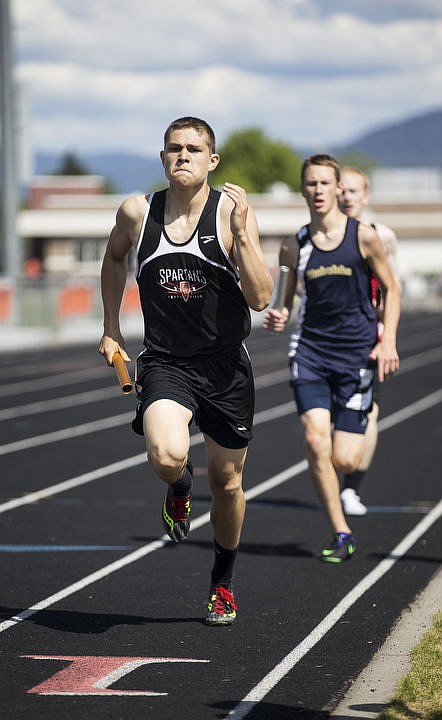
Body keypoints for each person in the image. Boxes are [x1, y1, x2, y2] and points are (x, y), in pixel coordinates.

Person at [99, 117, 273, 624]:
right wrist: (111, 325)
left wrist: (242, 237)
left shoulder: (230, 215)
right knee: (166, 453)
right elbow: (113, 260)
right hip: (166, 362)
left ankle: (223, 582)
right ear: (162, 158)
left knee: (228, 484)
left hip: (225, 368)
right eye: (174, 148)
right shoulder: (138, 211)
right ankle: (178, 486)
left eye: (194, 149)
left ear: (211, 161)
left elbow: (261, 298)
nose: (183, 156)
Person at [263, 154, 400, 562]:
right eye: (311, 183)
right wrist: (278, 314)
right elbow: (284, 301)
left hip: (357, 354)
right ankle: (341, 531)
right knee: (315, 440)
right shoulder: (295, 244)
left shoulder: (363, 236)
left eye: (325, 183)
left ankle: (364, 409)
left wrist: (387, 340)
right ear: (303, 188)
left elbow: (392, 290)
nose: (318, 191)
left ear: (338, 188)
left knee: (345, 457)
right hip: (310, 353)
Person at [338, 166, 402, 515]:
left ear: (366, 196)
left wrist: (387, 337)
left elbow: (394, 288)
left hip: (367, 337)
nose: (346, 196)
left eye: (353, 191)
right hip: (326, 340)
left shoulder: (382, 235)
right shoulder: (319, 235)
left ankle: (351, 489)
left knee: (368, 412)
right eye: (341, 190)